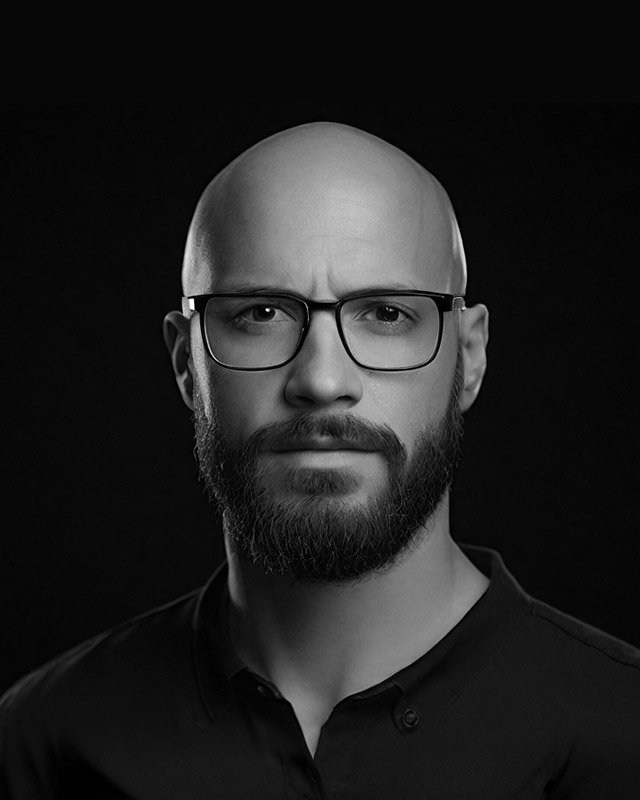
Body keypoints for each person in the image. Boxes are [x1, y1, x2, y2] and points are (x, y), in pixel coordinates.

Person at [1, 121, 638, 799]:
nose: (322, 380)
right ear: (187, 363)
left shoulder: (623, 737)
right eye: (261, 313)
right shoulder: (41, 745)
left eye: (386, 314)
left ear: (470, 356)